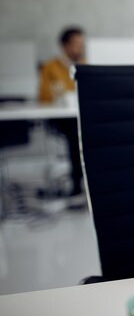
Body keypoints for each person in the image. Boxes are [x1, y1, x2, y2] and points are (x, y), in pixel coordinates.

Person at [39, 26, 86, 206]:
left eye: (82, 45)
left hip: (79, 115)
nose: (80, 49)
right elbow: (43, 97)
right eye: (76, 45)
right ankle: (76, 184)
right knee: (77, 136)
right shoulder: (50, 68)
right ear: (65, 46)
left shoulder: (84, 65)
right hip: (60, 118)